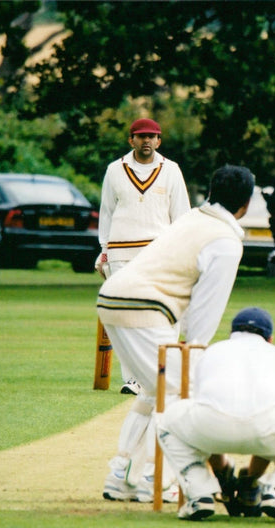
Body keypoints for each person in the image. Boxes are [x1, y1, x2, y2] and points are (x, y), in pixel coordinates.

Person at [96, 164, 255, 504]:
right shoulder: (225, 241)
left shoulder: (192, 219)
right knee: (181, 392)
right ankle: (157, 478)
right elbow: (205, 308)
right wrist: (193, 350)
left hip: (112, 297)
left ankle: (123, 476)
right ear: (246, 204)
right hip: (144, 307)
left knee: (157, 391)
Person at [156, 307, 275, 521]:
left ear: (232, 334)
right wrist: (251, 479)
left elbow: (205, 408)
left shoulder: (211, 352)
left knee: (166, 421)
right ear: (270, 339)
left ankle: (199, 494)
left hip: (211, 429)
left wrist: (221, 468)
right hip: (268, 431)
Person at [96, 118, 191, 395]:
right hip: (121, 251)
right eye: (140, 136)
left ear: (159, 141)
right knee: (125, 315)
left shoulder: (171, 170)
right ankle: (133, 379)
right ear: (131, 140)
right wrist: (103, 251)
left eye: (151, 136)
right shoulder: (115, 170)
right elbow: (107, 213)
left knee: (161, 312)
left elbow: (182, 214)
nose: (146, 141)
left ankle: (163, 372)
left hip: (159, 252)